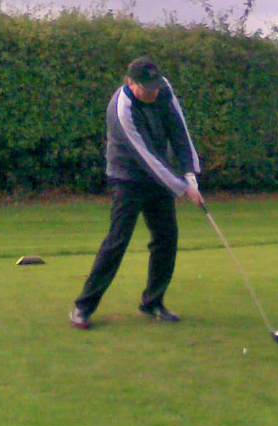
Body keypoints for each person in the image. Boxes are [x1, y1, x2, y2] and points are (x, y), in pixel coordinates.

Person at [69, 57, 204, 329]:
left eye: (155, 86)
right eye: (147, 88)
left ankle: (152, 302)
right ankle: (83, 307)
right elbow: (146, 157)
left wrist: (190, 173)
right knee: (118, 240)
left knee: (166, 238)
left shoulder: (163, 89)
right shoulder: (122, 109)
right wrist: (182, 188)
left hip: (158, 176)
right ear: (131, 83)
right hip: (126, 178)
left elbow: (179, 131)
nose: (153, 93)